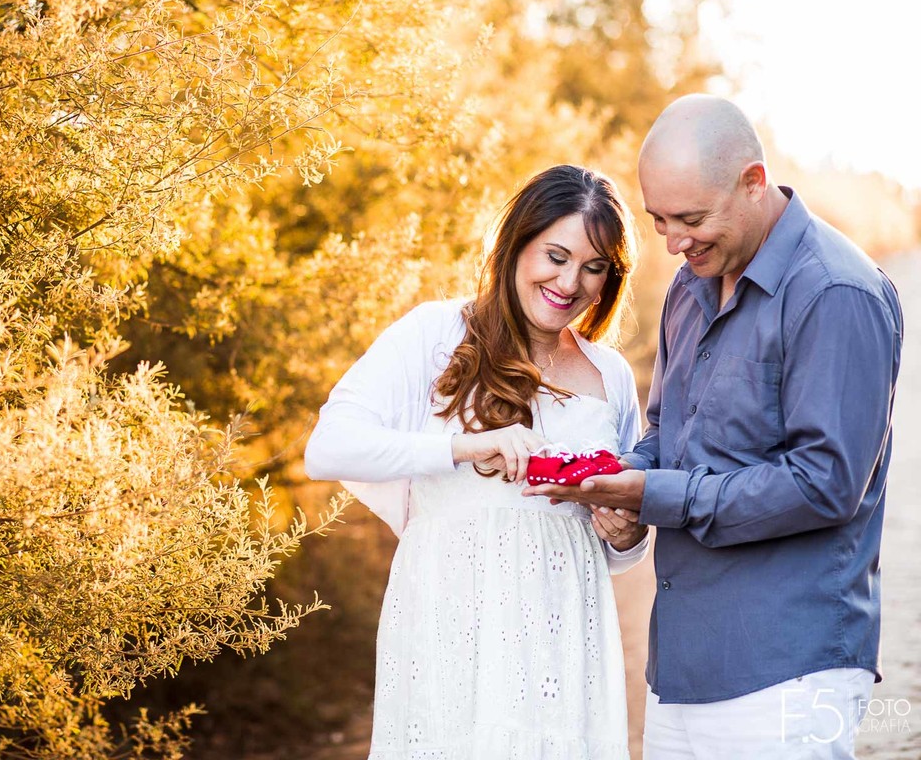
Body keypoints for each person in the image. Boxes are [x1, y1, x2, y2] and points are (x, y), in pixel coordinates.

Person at [526, 95, 904, 758]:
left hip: (787, 667)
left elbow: (824, 484)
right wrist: (617, 484)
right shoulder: (689, 286)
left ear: (754, 183)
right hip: (682, 668)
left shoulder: (835, 293)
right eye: (659, 220)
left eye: (691, 219)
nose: (673, 242)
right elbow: (666, 433)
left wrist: (655, 495)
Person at [306, 165, 649, 759]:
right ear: (517, 241)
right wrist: (463, 447)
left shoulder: (609, 375)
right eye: (556, 256)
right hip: (450, 618)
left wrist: (625, 529)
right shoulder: (435, 333)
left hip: (563, 630)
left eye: (593, 267)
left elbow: (623, 550)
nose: (570, 282)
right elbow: (329, 446)